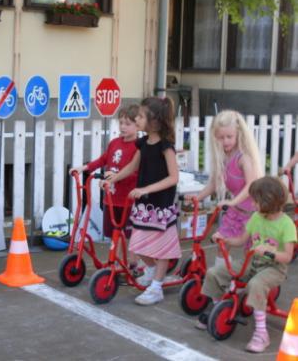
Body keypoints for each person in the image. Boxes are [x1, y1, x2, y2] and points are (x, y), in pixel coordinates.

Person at [196, 176, 297, 353]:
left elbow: (287, 257)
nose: (252, 204)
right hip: (252, 262)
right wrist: (224, 239)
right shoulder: (256, 217)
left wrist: (270, 251)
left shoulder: (286, 224)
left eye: (255, 201)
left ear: (267, 201)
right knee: (214, 272)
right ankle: (218, 309)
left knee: (255, 284)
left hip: (274, 267)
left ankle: (261, 333)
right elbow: (241, 241)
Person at [106, 97, 180, 305]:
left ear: (154, 121)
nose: (136, 119)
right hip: (144, 205)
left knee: (163, 248)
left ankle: (156, 287)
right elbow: (132, 167)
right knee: (137, 244)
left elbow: (174, 177)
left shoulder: (166, 146)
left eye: (140, 116)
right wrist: (114, 177)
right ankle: (150, 271)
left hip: (161, 205)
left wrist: (146, 189)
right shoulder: (143, 143)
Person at [185, 110, 262, 267]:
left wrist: (233, 202)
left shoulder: (243, 157)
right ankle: (220, 279)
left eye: (229, 137)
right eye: (221, 138)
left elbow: (251, 185)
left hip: (253, 213)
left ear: (238, 135)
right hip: (236, 212)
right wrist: (198, 197)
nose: (225, 141)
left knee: (251, 251)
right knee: (222, 245)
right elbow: (214, 183)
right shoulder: (223, 158)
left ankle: (253, 278)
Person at [70, 104, 139, 241]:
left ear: (138, 125)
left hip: (127, 201)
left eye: (128, 124)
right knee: (112, 234)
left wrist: (116, 178)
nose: (123, 127)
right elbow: (103, 160)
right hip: (110, 198)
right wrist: (84, 168)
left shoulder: (138, 147)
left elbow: (137, 173)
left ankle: (122, 261)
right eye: (121, 123)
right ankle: (114, 260)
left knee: (127, 236)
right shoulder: (114, 143)